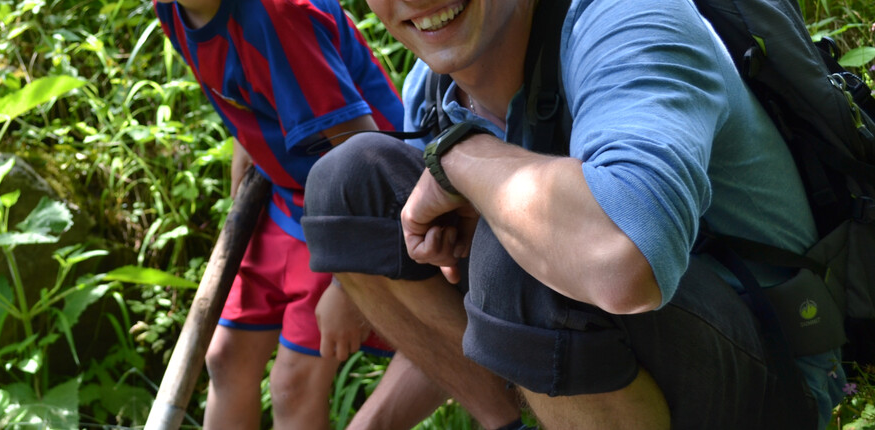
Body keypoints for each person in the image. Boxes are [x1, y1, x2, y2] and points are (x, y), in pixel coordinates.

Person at [302, 0, 847, 429]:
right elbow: (464, 332)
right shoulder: (432, 89)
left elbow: (621, 262)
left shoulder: (625, 18)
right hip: (632, 350)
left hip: (773, 368)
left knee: (526, 243)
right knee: (347, 184)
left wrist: (461, 157)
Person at [153, 0, 451, 428]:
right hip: (281, 198)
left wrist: (351, 283)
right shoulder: (173, 9)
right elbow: (248, 96)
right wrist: (242, 192)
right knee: (225, 357)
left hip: (352, 212)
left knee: (294, 383)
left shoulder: (279, 14)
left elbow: (367, 159)